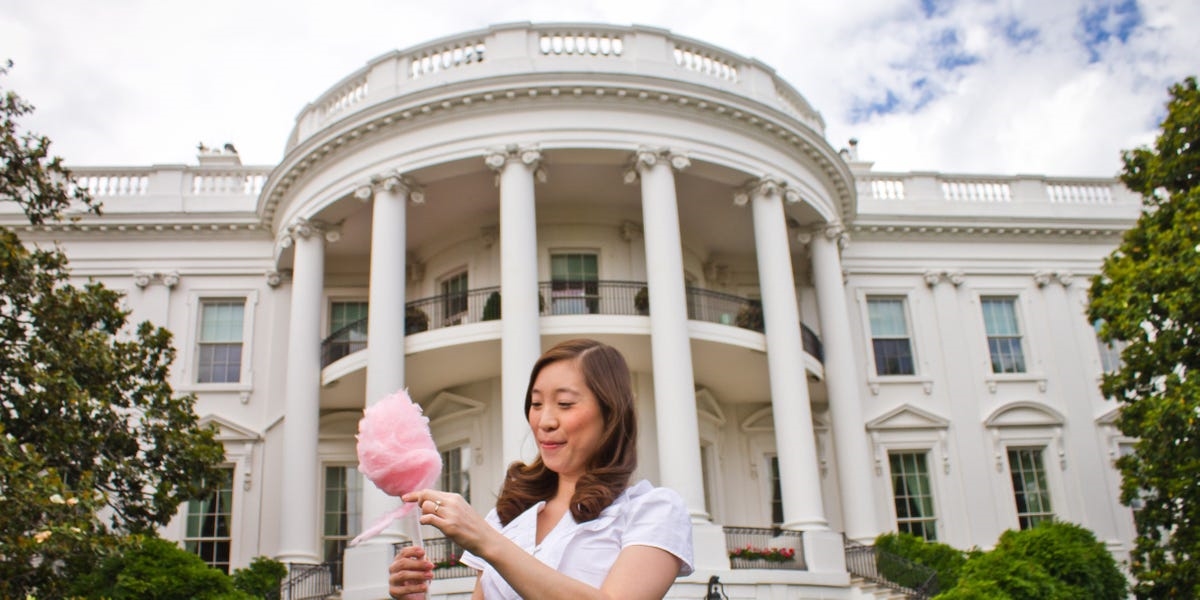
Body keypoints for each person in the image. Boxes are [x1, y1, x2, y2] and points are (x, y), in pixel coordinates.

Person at [389, 338, 694, 599]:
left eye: (565, 404)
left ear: (611, 413)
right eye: (536, 404)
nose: (544, 421)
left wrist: (486, 541)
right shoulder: (507, 517)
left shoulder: (652, 510)